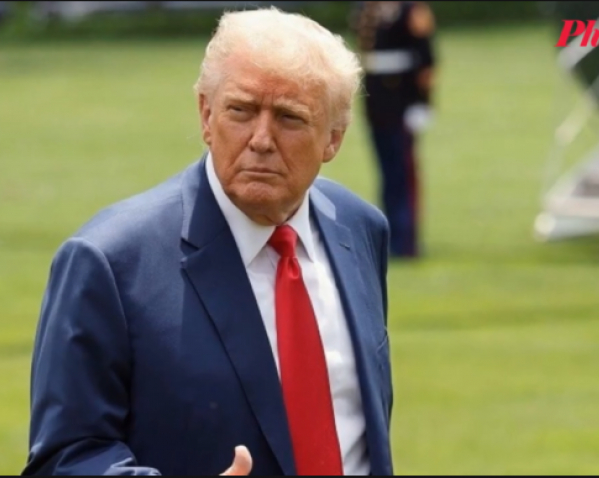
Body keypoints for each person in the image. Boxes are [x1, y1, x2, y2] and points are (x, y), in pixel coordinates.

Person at [23, 6, 394, 477]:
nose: (261, 139)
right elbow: (65, 457)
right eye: (241, 110)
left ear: (333, 139)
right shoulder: (109, 262)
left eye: (289, 117)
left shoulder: (359, 229)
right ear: (205, 113)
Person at [350, 1, 436, 258]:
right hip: (376, 100)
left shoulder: (410, 9)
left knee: (403, 173)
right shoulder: (366, 8)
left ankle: (406, 240)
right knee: (386, 172)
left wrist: (422, 102)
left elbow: (426, 58)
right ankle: (387, 233)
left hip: (401, 98)